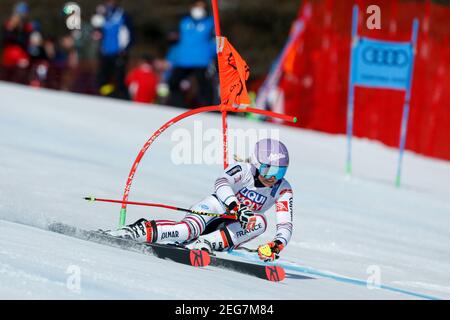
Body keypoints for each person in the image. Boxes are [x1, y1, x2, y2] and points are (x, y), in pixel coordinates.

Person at [105, 139, 294, 262]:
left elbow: (285, 223)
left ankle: (205, 243)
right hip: (214, 208)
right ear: (256, 162)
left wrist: (277, 244)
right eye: (268, 169)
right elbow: (221, 183)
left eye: (280, 171)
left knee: (260, 222)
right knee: (186, 230)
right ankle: (134, 232)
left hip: (232, 226)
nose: (273, 177)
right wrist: (235, 206)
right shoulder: (243, 169)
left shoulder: (282, 188)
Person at [167, 0, 216, 108]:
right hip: (183, 59)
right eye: (196, 6)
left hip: (202, 60)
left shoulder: (211, 22)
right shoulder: (184, 21)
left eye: (201, 7)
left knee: (205, 86)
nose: (198, 9)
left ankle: (209, 108)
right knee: (173, 82)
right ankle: (177, 105)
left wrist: (214, 56)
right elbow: (175, 39)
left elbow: (216, 41)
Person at [96, 0, 134, 99]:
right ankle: (107, 97)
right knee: (103, 79)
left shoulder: (123, 16)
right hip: (105, 53)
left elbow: (130, 35)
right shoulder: (103, 16)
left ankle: (123, 100)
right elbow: (98, 33)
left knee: (119, 79)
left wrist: (125, 49)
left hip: (119, 53)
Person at [1, 2, 33, 83]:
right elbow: (6, 40)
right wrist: (10, 28)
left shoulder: (27, 27)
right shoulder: (8, 25)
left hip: (20, 55)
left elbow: (25, 43)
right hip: (9, 55)